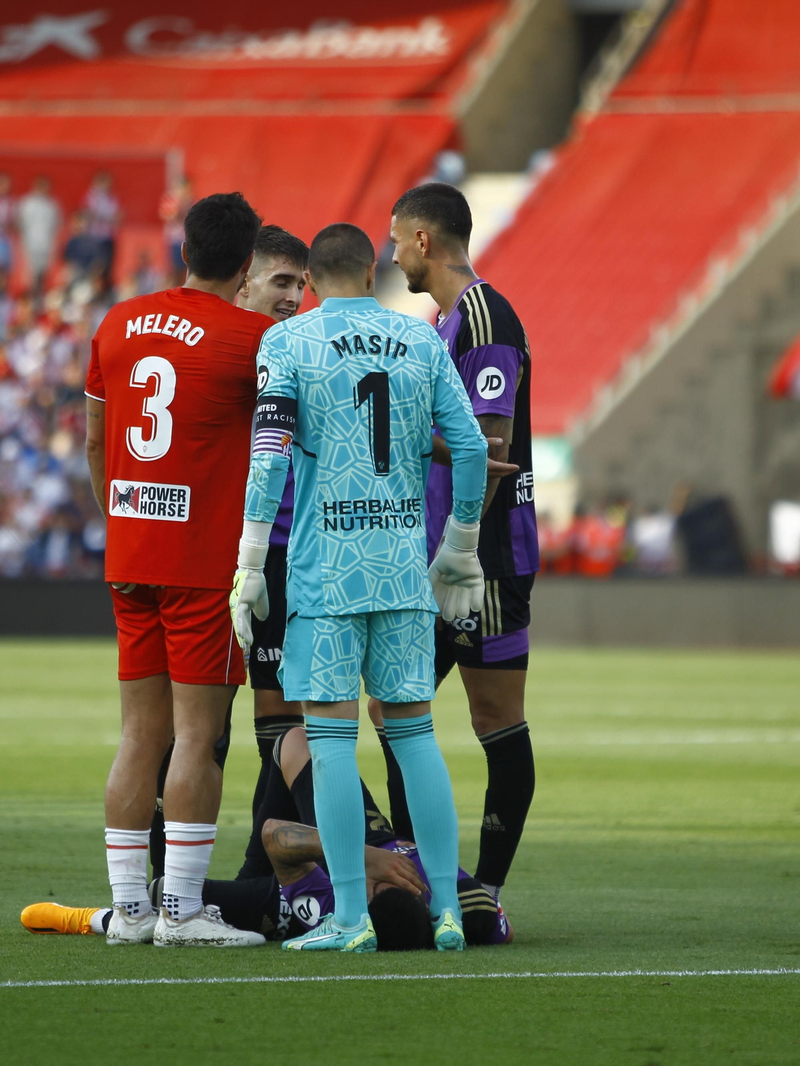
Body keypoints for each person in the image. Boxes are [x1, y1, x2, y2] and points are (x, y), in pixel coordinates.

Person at [230, 222, 490, 952]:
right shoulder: (421, 339)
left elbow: (271, 453)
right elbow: (469, 447)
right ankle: (445, 911)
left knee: (333, 741)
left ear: (309, 281)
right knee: (413, 737)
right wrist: (460, 550)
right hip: (404, 565)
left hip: (326, 571)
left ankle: (350, 920)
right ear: (374, 270)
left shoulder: (287, 344)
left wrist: (251, 562)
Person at [84, 191, 272, 948]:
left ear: (184, 249)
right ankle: (183, 910)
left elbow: (96, 445)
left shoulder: (117, 323)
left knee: (139, 736)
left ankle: (130, 911)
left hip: (132, 553)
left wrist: (124, 526)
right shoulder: (253, 339)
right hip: (201, 564)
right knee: (197, 737)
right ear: (249, 263)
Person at [377, 182, 539, 907]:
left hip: (482, 560)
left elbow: (491, 446)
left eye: (393, 239)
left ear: (422, 241)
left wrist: (463, 552)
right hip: (442, 555)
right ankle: (423, 875)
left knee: (492, 718)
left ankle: (485, 889)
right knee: (395, 708)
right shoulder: (443, 322)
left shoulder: (482, 316)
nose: (389, 254)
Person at [21, 725, 514, 949]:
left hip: (283, 886)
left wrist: (352, 857)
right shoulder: (457, 907)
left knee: (161, 902)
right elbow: (496, 920)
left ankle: (83, 918)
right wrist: (370, 851)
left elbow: (275, 834)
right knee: (294, 741)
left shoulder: (326, 901)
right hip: (369, 844)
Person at [231, 225, 311, 878]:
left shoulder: (300, 350)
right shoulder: (228, 349)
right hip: (220, 555)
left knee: (277, 715)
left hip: (280, 554)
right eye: (280, 281)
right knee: (189, 728)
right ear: (245, 279)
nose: (292, 296)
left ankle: (260, 874)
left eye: (301, 284)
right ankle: (163, 879)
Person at [18, 176, 62, 293]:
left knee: (44, 275)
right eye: (41, 186)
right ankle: (29, 299)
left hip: (47, 245)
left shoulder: (52, 205)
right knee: (30, 276)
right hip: (30, 244)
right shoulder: (27, 204)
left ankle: (40, 298)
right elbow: (20, 224)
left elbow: (57, 226)